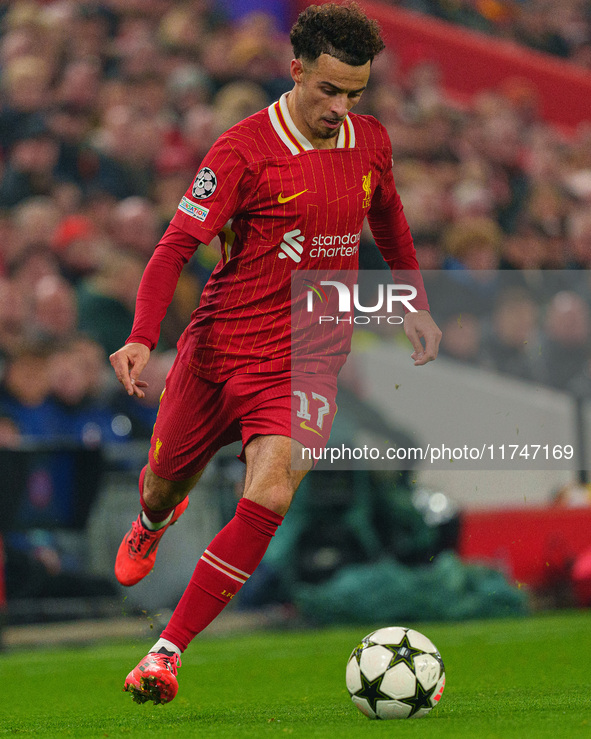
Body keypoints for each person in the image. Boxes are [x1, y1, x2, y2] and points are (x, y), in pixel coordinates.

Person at [109, 2, 441, 706]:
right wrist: (142, 334)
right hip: (218, 352)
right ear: (295, 71)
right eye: (328, 90)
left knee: (270, 492)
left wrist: (413, 301)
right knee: (164, 483)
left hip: (306, 359)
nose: (340, 107)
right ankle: (152, 522)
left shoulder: (369, 141)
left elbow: (390, 217)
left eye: (354, 93)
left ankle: (165, 653)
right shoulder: (241, 151)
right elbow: (174, 246)